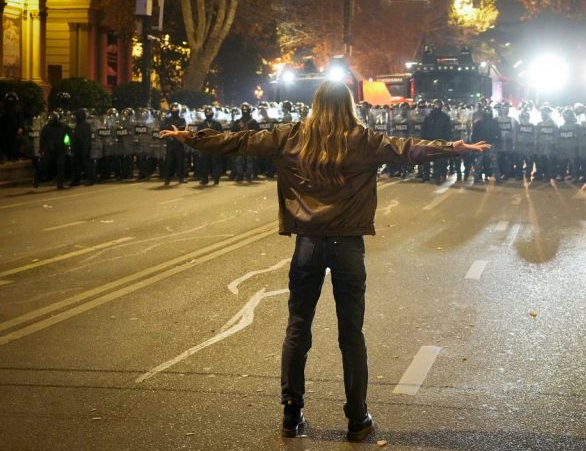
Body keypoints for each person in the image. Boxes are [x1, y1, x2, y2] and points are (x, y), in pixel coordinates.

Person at [159, 81, 490, 442]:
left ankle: (291, 412)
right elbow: (409, 149)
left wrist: (192, 137)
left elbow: (239, 141)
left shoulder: (291, 136)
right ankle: (356, 418)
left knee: (298, 326)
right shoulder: (362, 140)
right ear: (348, 106)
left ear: (315, 105)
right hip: (347, 245)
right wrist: (453, 148)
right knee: (351, 333)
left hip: (308, 244)